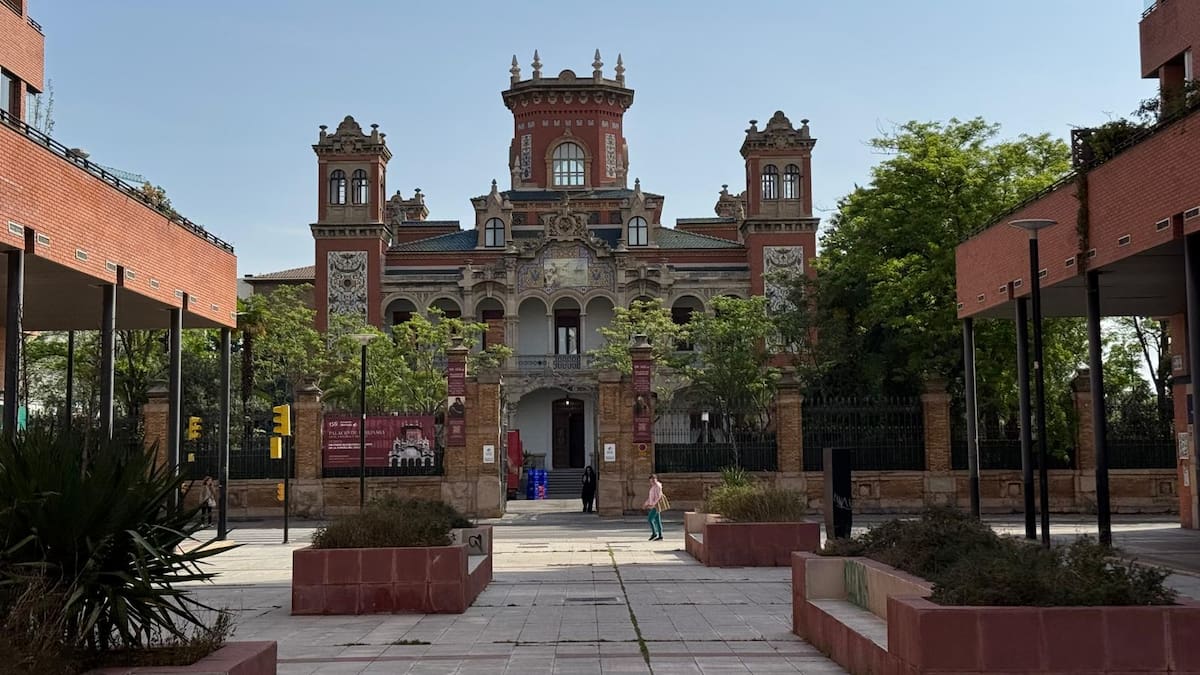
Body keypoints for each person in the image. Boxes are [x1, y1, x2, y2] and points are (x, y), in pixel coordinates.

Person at [642, 474, 665, 541]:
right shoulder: (653, 487)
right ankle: (660, 535)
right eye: (651, 481)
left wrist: (653, 505)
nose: (652, 482)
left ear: (656, 479)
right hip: (654, 505)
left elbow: (658, 497)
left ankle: (654, 533)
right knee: (657, 520)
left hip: (656, 506)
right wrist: (646, 504)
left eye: (653, 480)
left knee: (650, 519)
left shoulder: (657, 486)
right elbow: (651, 498)